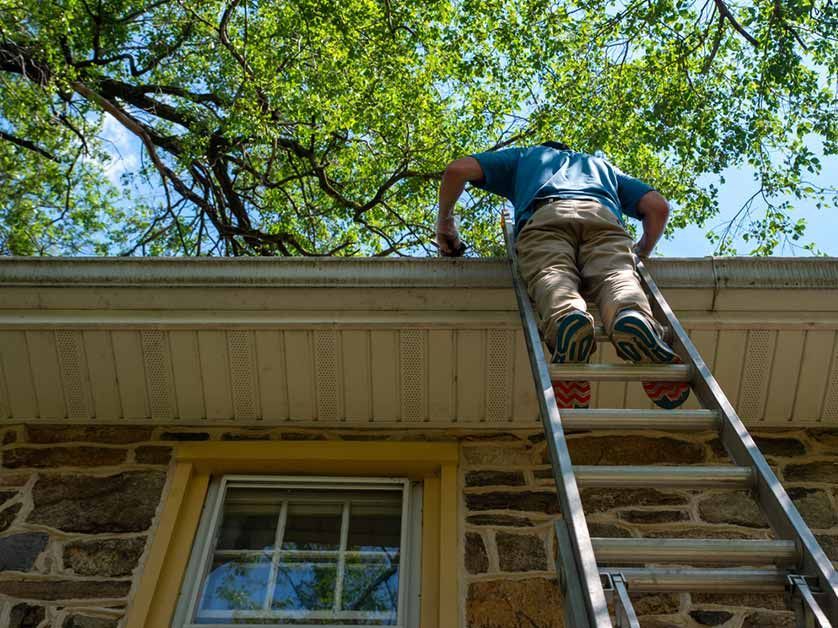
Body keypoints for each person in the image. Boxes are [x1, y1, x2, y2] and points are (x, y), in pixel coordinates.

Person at [435, 141, 689, 409]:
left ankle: (568, 318)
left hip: (545, 217)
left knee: (552, 274)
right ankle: (633, 317)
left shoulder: (527, 157)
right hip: (602, 217)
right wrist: (641, 251)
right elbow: (657, 206)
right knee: (617, 277)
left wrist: (446, 222)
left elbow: (456, 170)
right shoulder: (602, 167)